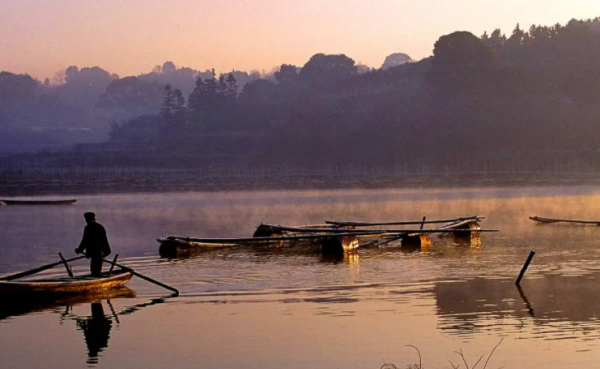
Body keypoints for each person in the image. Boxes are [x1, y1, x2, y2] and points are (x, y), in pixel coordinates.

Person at [75, 212, 112, 277]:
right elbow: (85, 241)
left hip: (97, 253)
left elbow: (85, 241)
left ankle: (97, 281)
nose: (86, 221)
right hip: (94, 253)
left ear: (92, 219)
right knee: (94, 271)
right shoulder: (91, 227)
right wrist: (80, 249)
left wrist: (79, 249)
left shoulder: (95, 228)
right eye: (86, 219)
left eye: (87, 219)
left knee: (95, 271)